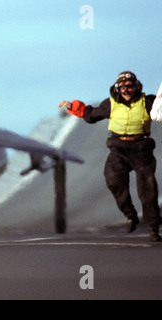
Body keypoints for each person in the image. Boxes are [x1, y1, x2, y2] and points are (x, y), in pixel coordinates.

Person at [59, 71, 161, 242]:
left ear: (136, 87)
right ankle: (130, 215)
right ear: (117, 89)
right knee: (113, 179)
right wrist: (71, 106)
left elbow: (159, 111)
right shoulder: (110, 104)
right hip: (118, 149)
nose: (126, 91)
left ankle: (153, 227)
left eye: (130, 87)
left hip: (142, 149)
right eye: (123, 88)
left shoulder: (148, 102)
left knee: (147, 188)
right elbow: (89, 115)